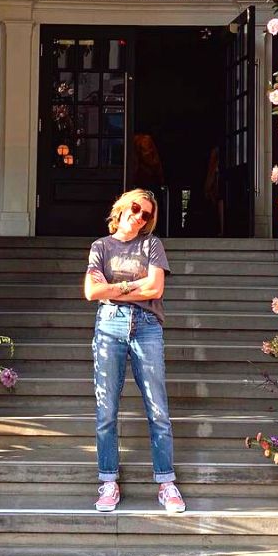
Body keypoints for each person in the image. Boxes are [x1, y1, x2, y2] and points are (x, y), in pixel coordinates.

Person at [83, 187, 185, 515]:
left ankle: (166, 483)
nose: (140, 217)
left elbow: (155, 288)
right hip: (109, 326)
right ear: (122, 207)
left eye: (147, 215)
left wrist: (114, 290)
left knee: (157, 409)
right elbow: (91, 291)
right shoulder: (101, 246)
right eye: (137, 209)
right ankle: (108, 481)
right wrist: (132, 286)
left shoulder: (151, 245)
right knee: (106, 410)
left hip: (147, 326)